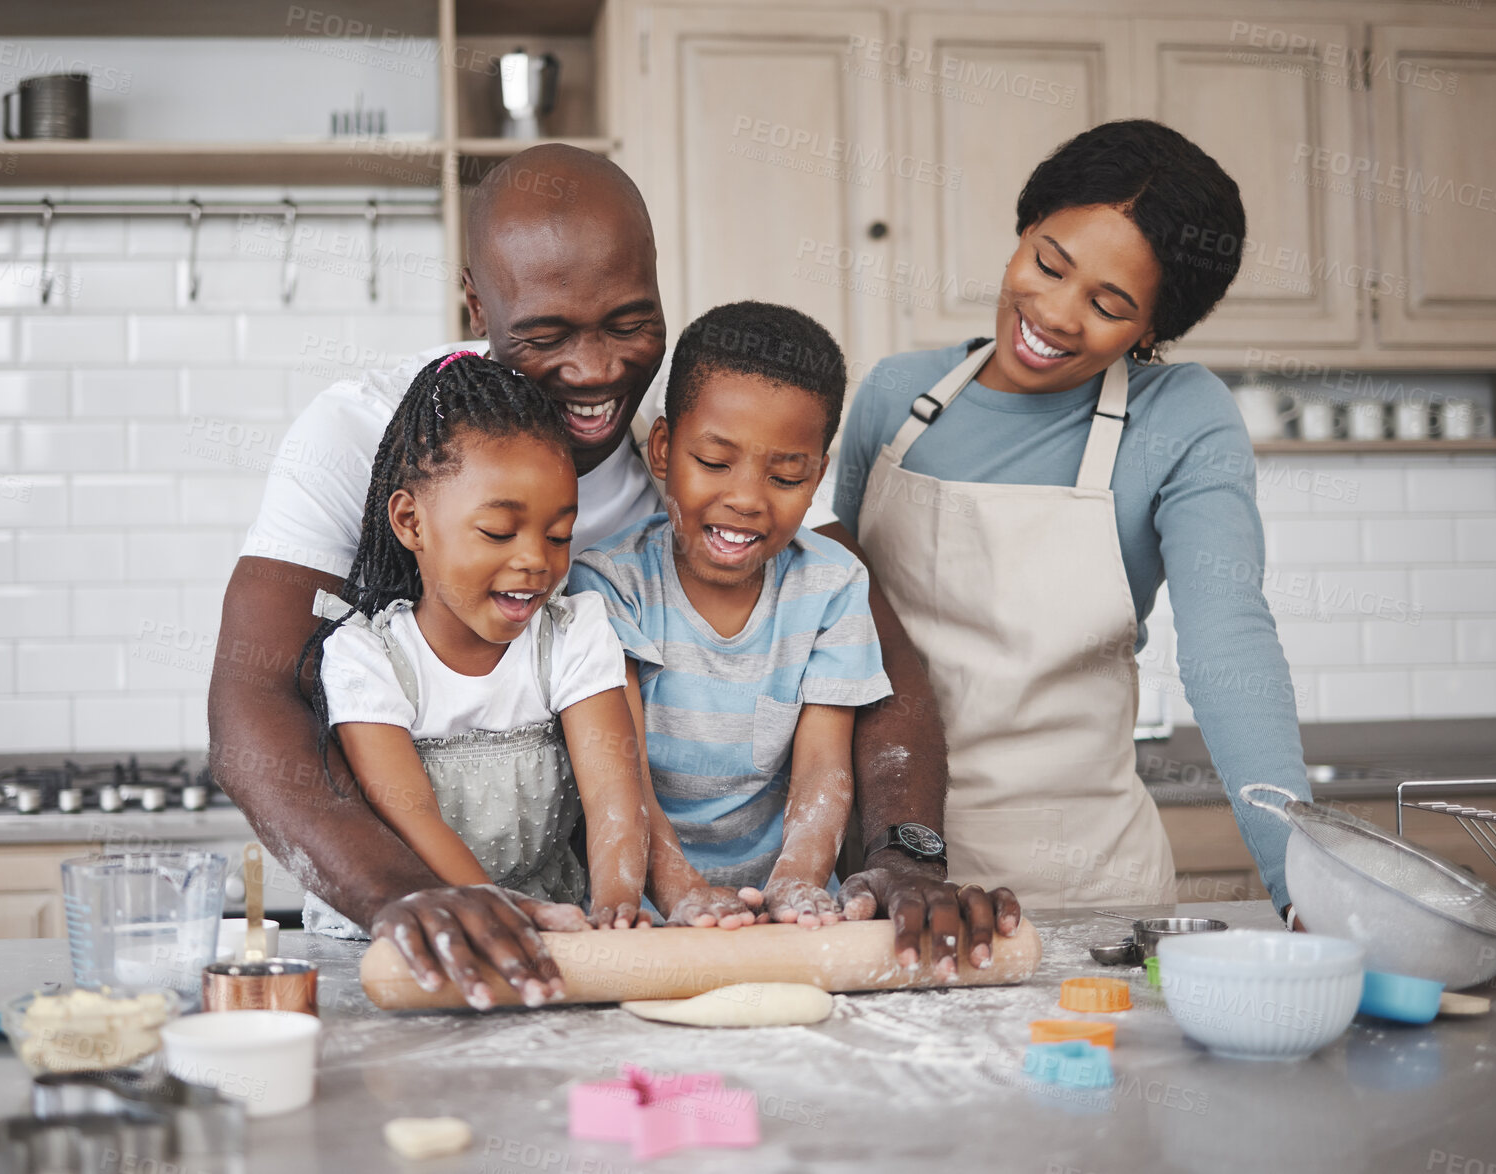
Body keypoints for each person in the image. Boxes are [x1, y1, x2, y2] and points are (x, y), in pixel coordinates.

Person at [210, 145, 1019, 1006]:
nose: (596, 371)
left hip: (599, 939)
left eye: (630, 324)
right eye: (548, 335)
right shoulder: (369, 435)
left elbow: (883, 673)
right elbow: (252, 700)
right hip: (419, 935)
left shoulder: (712, 437)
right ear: (477, 301)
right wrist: (406, 895)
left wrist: (904, 854)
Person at [833, 120, 1311, 917]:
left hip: (1086, 891)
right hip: (893, 879)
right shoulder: (893, 396)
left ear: (1153, 329)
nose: (1054, 313)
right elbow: (829, 624)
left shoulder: (1182, 419)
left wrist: (1306, 884)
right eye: (1048, 264)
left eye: (1109, 305)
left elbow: (1231, 645)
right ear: (1025, 231)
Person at [298, 353, 651, 1008]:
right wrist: (496, 913)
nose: (534, 562)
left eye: (558, 535)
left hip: (552, 938)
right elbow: (413, 819)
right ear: (411, 522)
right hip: (406, 949)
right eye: (497, 531)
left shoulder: (572, 635)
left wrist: (617, 910)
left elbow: (613, 800)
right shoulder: (366, 657)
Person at [571, 302, 892, 931]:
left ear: (817, 476)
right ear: (663, 450)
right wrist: (677, 887)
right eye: (714, 463)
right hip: (643, 907)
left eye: (785, 474)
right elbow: (621, 764)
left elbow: (823, 769)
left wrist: (798, 880)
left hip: (787, 913)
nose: (745, 498)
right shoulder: (611, 585)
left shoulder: (832, 586)